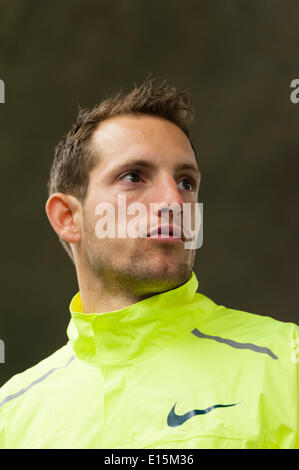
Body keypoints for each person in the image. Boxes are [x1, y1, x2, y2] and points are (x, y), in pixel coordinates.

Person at [0, 80, 298, 449]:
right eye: (134, 177)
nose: (173, 200)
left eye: (186, 182)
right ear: (67, 218)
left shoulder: (289, 363)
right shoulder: (11, 416)